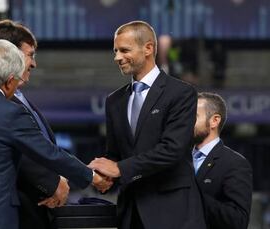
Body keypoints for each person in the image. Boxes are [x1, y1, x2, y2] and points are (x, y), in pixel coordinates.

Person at [0, 39, 110, 229]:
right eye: (17, 81)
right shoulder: (10, 112)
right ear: (9, 81)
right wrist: (93, 177)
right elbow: (50, 154)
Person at [88, 21, 206, 229]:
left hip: (172, 213)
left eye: (124, 50)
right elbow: (115, 153)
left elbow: (172, 150)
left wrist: (119, 169)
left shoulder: (181, 93)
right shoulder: (114, 100)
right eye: (115, 51)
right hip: (130, 213)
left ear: (149, 48)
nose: (117, 58)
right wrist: (102, 174)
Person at [0, 19, 73, 229]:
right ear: (7, 53)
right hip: (12, 216)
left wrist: (58, 180)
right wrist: (52, 184)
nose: (34, 63)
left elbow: (43, 150)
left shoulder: (19, 98)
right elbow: (21, 155)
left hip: (35, 213)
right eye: (30, 54)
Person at [193, 92, 253, 229]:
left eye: (193, 116)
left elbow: (238, 221)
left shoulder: (234, 163)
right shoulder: (179, 160)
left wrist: (192, 194)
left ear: (214, 120)